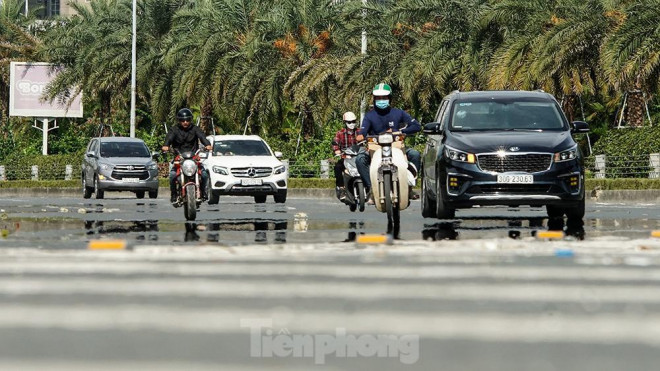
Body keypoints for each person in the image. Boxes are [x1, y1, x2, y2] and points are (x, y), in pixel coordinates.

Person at [355, 83, 422, 201]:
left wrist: (399, 131)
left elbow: (416, 126)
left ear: (389, 99)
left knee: (415, 155)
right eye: (378, 98)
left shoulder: (399, 113)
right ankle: (371, 189)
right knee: (360, 159)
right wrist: (360, 136)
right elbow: (363, 131)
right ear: (374, 99)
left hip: (397, 147)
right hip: (376, 148)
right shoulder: (369, 116)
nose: (381, 100)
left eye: (384, 98)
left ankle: (410, 187)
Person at [161, 108, 212, 204]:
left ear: (190, 120)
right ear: (179, 120)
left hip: (193, 157)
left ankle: (204, 192)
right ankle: (174, 195)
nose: (185, 122)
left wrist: (207, 145)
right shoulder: (174, 130)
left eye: (187, 120)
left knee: (204, 175)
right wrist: (166, 146)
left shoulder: (195, 129)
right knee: (172, 176)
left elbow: (202, 137)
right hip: (179, 158)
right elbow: (168, 139)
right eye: (182, 120)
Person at [332, 111, 359, 200]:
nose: (352, 124)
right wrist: (337, 151)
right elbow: (335, 144)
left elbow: (367, 141)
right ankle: (341, 188)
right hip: (346, 158)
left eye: (353, 121)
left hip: (359, 157)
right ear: (345, 123)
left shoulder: (360, 132)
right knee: (337, 167)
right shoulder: (340, 133)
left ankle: (372, 189)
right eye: (349, 122)